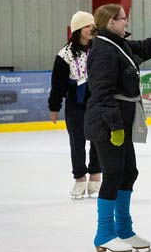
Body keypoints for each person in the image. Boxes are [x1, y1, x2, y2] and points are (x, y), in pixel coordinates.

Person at [86, 3, 151, 252]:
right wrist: (115, 127)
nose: (127, 22)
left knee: (128, 172)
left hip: (123, 120)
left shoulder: (119, 44)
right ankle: (104, 233)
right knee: (114, 173)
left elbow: (147, 47)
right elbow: (102, 93)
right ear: (110, 22)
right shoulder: (103, 50)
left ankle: (124, 229)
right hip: (107, 123)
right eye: (123, 19)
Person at [50, 11, 102, 199]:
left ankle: (95, 178)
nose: (92, 29)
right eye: (88, 26)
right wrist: (54, 107)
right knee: (77, 141)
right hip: (75, 101)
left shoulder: (99, 48)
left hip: (97, 98)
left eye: (92, 26)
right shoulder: (64, 54)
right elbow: (57, 84)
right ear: (78, 29)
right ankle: (80, 179)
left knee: (98, 138)